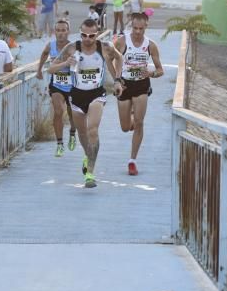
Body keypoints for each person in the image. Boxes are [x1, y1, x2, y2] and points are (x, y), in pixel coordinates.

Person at [48, 18, 123, 189]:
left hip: (96, 94)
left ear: (97, 34)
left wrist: (117, 80)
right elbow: (50, 69)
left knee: (93, 130)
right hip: (76, 95)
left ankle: (90, 172)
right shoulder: (72, 48)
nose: (87, 39)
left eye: (91, 35)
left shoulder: (104, 47)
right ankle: (87, 155)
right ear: (79, 33)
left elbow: (120, 59)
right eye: (83, 35)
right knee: (82, 134)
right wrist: (66, 63)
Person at [114, 12, 164, 176]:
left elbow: (160, 70)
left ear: (146, 27)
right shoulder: (122, 41)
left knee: (140, 123)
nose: (137, 31)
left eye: (141, 29)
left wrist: (151, 74)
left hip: (142, 85)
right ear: (131, 26)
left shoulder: (151, 45)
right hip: (125, 86)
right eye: (135, 28)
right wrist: (117, 79)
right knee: (125, 127)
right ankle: (132, 117)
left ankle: (132, 161)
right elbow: (112, 60)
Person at [36, 18, 77, 157]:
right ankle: (59, 144)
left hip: (72, 85)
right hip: (57, 84)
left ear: (68, 31)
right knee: (58, 111)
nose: (60, 33)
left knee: (73, 114)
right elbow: (43, 54)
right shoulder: (50, 45)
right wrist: (39, 70)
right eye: (58, 30)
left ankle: (72, 132)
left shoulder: (74, 47)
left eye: (63, 30)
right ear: (54, 32)